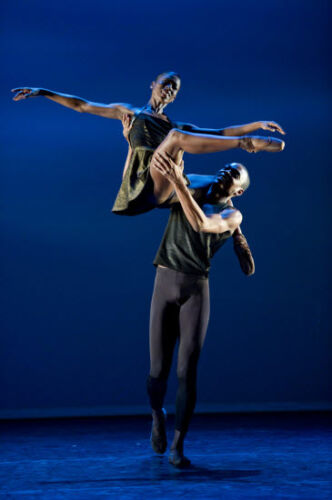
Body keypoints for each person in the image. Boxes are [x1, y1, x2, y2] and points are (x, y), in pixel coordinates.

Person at [12, 71, 285, 216]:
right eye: (166, 83)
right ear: (153, 84)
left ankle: (246, 147)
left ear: (174, 97)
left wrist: (256, 123)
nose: (169, 89)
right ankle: (246, 144)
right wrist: (43, 92)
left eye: (174, 89)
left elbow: (222, 131)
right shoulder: (130, 112)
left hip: (165, 180)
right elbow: (82, 105)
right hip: (140, 183)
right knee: (176, 140)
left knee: (189, 151)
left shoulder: (173, 126)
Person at [146, 152, 253, 467]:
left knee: (185, 372)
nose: (225, 170)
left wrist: (180, 183)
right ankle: (156, 414)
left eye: (233, 172)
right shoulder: (191, 184)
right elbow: (154, 194)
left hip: (196, 289)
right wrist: (172, 178)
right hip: (164, 280)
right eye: (225, 166)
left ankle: (178, 445)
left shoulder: (233, 217)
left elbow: (204, 223)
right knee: (157, 372)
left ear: (239, 191)